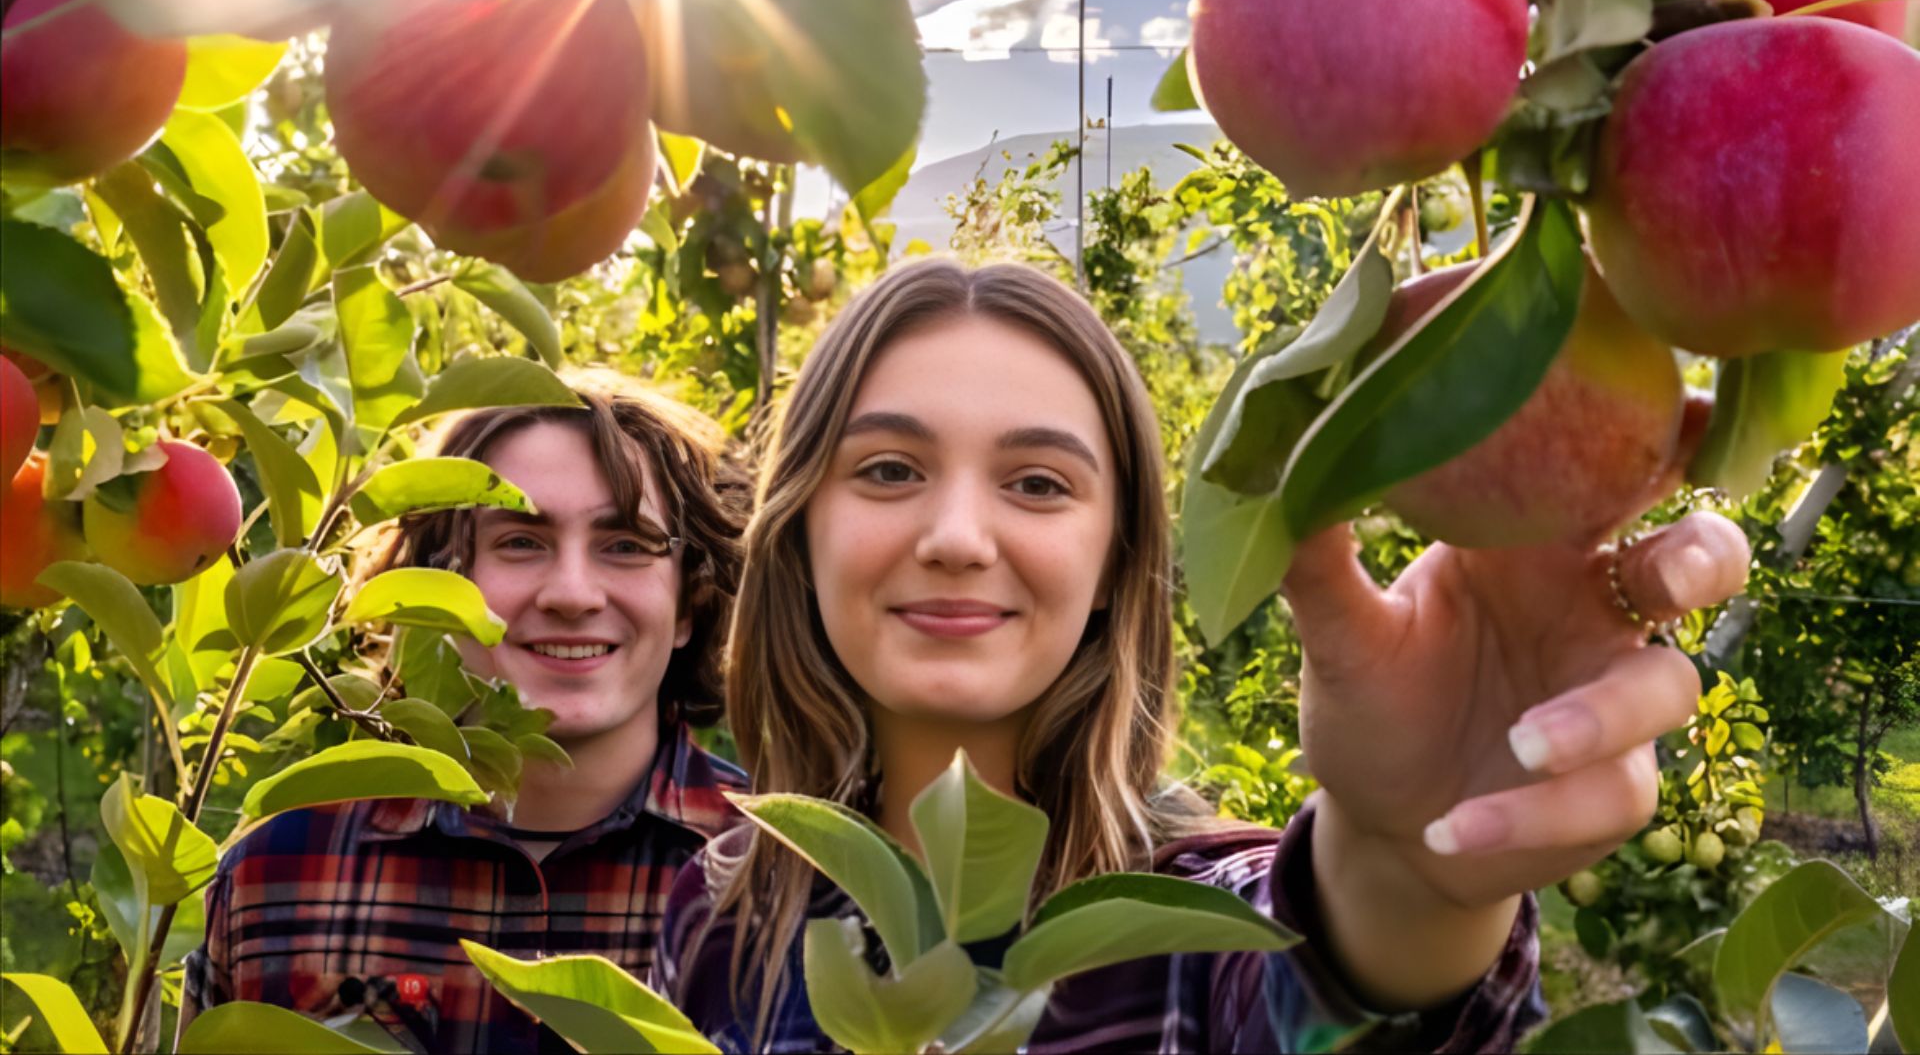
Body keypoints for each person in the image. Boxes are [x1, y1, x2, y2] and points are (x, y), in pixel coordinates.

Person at [655, 260, 1751, 1051]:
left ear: (1114, 558)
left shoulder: (1183, 936)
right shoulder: (721, 918)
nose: (955, 537)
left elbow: (1333, 988)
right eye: (889, 470)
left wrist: (1410, 873)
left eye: (1038, 483)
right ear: (801, 530)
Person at [181, 370, 750, 1054]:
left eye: (625, 545)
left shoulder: (787, 881)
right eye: (520, 541)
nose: (572, 593)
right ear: (437, 586)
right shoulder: (273, 878)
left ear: (689, 602)